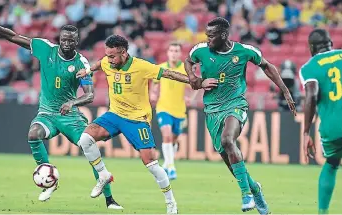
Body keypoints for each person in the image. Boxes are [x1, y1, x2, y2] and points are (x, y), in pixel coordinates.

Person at [0, 3, 123, 209]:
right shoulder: (45, 49)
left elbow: (89, 95)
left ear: (77, 41)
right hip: (47, 113)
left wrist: (72, 102)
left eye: (71, 40)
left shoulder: (82, 63)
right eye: (63, 39)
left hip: (70, 117)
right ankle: (50, 181)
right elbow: (13, 36)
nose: (66, 43)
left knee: (89, 146)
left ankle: (109, 199)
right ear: (59, 39)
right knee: (33, 134)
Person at [75, 35, 216, 214]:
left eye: (112, 56)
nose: (108, 60)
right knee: (85, 139)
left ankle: (171, 202)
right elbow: (99, 63)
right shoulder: (107, 62)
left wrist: (196, 81)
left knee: (150, 162)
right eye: (107, 55)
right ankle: (103, 175)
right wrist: (88, 71)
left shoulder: (141, 66)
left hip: (137, 119)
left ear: (124, 53)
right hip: (114, 114)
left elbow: (169, 74)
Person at [184, 17, 296, 214]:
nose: (207, 39)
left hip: (236, 104)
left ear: (224, 35)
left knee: (228, 140)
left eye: (211, 36)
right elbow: (188, 62)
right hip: (212, 109)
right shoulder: (200, 50)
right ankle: (254, 189)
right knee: (229, 161)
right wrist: (195, 78)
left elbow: (267, 66)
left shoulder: (245, 51)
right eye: (206, 35)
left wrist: (286, 92)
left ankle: (246, 195)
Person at [300, 28, 342, 214]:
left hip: (332, 128)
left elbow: (311, 95)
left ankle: (322, 212)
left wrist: (306, 132)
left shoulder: (309, 67)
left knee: (332, 163)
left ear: (311, 48)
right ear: (330, 44)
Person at [150, 42, 196, 180]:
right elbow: (154, 84)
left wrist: (191, 98)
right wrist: (153, 93)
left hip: (180, 110)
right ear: (168, 53)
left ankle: (167, 163)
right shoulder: (161, 68)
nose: (174, 53)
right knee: (167, 135)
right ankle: (171, 168)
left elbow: (196, 86)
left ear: (180, 53)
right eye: (171, 50)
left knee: (174, 139)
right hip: (163, 108)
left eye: (176, 50)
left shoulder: (185, 69)